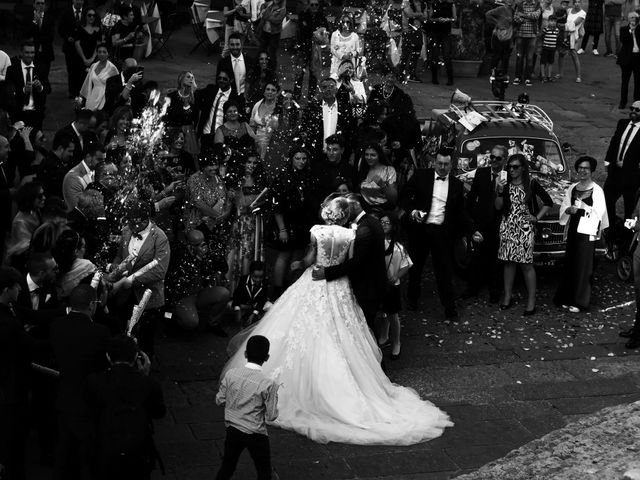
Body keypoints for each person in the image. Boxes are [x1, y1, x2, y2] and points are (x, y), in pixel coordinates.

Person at [225, 196, 452, 445]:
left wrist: (304, 264)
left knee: (301, 326)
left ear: (327, 214)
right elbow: (349, 261)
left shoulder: (317, 232)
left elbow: (312, 258)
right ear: (344, 215)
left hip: (317, 280)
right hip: (339, 286)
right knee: (344, 329)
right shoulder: (351, 234)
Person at [402, 150, 481, 318]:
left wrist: (473, 230)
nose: (443, 167)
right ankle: (412, 300)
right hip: (421, 229)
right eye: (440, 164)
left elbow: (461, 212)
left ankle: (449, 308)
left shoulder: (456, 184)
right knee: (415, 267)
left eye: (446, 164)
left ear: (451, 165)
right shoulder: (421, 176)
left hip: (441, 232)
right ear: (434, 163)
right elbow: (404, 197)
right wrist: (412, 211)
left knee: (444, 271)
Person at [50, 284, 110, 480]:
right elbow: (102, 366)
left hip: (64, 395)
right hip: (88, 400)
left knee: (64, 447)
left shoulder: (56, 325)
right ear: (92, 304)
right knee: (87, 452)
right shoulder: (100, 332)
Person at [87, 334, 165, 480]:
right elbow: (159, 412)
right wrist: (146, 376)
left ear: (108, 357)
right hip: (137, 450)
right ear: (136, 357)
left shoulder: (94, 382)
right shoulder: (149, 384)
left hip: (105, 449)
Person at [495, 154, 553, 315]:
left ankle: (531, 300)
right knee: (508, 262)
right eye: (509, 167)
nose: (511, 169)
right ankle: (507, 296)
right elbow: (498, 207)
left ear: (523, 168)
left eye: (515, 167)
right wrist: (499, 191)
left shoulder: (531, 184)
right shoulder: (504, 184)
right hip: (507, 226)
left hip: (525, 228)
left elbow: (548, 202)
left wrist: (536, 218)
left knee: (526, 264)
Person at [110, 202, 170, 356]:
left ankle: (144, 366)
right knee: (122, 335)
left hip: (147, 297)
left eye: (134, 222)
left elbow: (159, 271)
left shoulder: (160, 237)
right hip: (124, 296)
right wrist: (116, 269)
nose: (130, 225)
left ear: (145, 221)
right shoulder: (126, 231)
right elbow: (119, 255)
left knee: (145, 339)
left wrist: (129, 281)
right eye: (129, 221)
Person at [216, 335, 278, 480]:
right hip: (256, 433)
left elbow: (220, 400)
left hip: (233, 430)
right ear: (267, 357)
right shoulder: (268, 384)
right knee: (264, 471)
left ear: (245, 354)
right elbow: (271, 415)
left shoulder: (231, 374)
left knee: (227, 467)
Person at [554, 156, 608, 313]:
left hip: (587, 231)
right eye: (581, 168)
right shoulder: (573, 188)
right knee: (571, 262)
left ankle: (580, 301)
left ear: (591, 171)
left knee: (584, 266)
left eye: (586, 168)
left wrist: (583, 208)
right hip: (574, 230)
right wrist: (568, 210)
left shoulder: (597, 190)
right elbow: (564, 206)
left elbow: (600, 212)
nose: (583, 171)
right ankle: (566, 297)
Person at [268, 147, 317, 298]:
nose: (301, 162)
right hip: (286, 222)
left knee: (298, 254)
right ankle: (277, 291)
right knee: (284, 255)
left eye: (304, 158)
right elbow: (277, 206)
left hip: (303, 222)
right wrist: (282, 229)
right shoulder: (283, 177)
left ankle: (292, 289)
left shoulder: (309, 176)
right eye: (298, 158)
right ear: (291, 159)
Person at [0, 266, 34, 480]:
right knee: (12, 443)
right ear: (5, 290)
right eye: (16, 287)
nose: (20, 289)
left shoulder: (10, 314)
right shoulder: (8, 323)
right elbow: (28, 347)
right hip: (10, 391)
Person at [464, 146, 506, 303]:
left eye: (498, 158)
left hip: (498, 223)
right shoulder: (481, 173)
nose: (494, 161)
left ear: (504, 160)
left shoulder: (507, 177)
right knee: (476, 257)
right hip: (480, 221)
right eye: (492, 157)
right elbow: (472, 195)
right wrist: (469, 220)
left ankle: (495, 292)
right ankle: (472, 288)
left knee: (496, 260)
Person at [168, 229, 230, 333]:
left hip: (199, 293)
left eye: (203, 242)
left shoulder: (206, 253)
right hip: (183, 297)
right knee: (191, 322)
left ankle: (212, 323)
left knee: (224, 293)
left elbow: (224, 269)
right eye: (198, 244)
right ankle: (173, 322)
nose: (203, 246)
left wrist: (217, 256)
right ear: (189, 245)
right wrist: (197, 259)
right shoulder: (180, 254)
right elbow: (184, 279)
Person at [378, 212, 412, 360]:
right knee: (382, 311)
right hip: (379, 283)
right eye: (382, 222)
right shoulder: (376, 242)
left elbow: (407, 264)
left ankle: (396, 342)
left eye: (387, 223)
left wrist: (396, 276)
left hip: (392, 285)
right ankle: (384, 334)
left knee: (393, 314)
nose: (384, 225)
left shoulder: (398, 246)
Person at [603, 100, 640, 223]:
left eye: (637, 110)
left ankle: (627, 235)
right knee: (607, 200)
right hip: (615, 172)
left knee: (629, 207)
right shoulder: (622, 123)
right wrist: (607, 161)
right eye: (632, 108)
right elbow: (614, 142)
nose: (633, 111)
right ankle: (611, 225)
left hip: (631, 176)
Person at [301, 77, 356, 158]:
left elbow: (351, 131)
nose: (328, 89)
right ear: (320, 90)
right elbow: (305, 128)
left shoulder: (346, 109)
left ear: (336, 89)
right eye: (324, 87)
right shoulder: (312, 108)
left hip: (340, 157)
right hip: (317, 154)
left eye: (331, 87)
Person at [4, 42, 51, 130]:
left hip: (36, 115)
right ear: (21, 53)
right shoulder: (12, 68)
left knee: (35, 142)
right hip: (18, 114)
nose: (30, 55)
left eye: (32, 52)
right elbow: (8, 92)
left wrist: (40, 87)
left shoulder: (41, 67)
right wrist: (23, 91)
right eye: (27, 52)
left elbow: (48, 89)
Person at [196, 70, 243, 146]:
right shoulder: (211, 90)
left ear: (231, 80)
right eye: (219, 78)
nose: (221, 80)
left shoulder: (236, 98)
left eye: (225, 79)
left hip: (222, 137)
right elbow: (196, 96)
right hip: (206, 134)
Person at [293, 0, 328, 100]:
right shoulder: (303, 15)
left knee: (314, 74)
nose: (314, 7)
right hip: (303, 48)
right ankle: (296, 97)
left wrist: (315, 33)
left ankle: (311, 98)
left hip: (315, 49)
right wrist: (315, 32)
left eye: (316, 5)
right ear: (309, 5)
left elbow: (325, 31)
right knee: (299, 73)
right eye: (312, 4)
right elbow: (302, 30)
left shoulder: (321, 16)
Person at [52, 230, 97, 298]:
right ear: (76, 251)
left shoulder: (53, 265)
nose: (85, 250)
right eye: (84, 247)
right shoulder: (87, 266)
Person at [62, 141, 106, 212]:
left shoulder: (97, 173)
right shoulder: (72, 178)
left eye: (104, 160)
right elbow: (77, 208)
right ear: (88, 157)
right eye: (99, 159)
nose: (103, 164)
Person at [165, 71, 200, 157]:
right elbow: (166, 116)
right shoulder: (171, 96)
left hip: (189, 133)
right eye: (188, 77)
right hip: (174, 131)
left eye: (192, 78)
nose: (191, 79)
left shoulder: (195, 97)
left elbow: (196, 118)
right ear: (181, 79)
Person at [358, 143, 398, 212]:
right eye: (366, 154)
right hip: (365, 210)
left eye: (373, 155)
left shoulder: (388, 170)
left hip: (383, 210)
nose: (369, 157)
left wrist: (382, 185)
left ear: (379, 155)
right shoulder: (363, 169)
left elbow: (393, 198)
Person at [58, 0, 86, 97]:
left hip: (83, 48)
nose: (79, 2)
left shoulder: (87, 12)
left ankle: (81, 91)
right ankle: (72, 92)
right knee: (71, 70)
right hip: (70, 48)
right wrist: (67, 37)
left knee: (82, 70)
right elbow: (60, 29)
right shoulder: (66, 12)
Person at [232, 260, 271, 327]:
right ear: (250, 273)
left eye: (261, 277)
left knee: (270, 306)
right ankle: (243, 316)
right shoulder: (243, 279)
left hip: (256, 304)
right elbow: (236, 295)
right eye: (255, 277)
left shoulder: (265, 282)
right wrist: (237, 309)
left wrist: (254, 313)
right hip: (244, 304)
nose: (258, 280)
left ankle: (259, 320)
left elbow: (262, 299)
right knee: (231, 305)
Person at [80, 43, 118, 111]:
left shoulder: (113, 68)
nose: (101, 54)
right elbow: (87, 82)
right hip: (93, 94)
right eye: (99, 52)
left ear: (108, 54)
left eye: (104, 52)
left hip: (105, 97)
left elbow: (116, 86)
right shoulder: (93, 66)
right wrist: (81, 97)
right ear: (97, 54)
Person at [512, 0, 541, 86]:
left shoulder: (537, 4)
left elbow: (536, 16)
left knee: (529, 58)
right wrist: (525, 17)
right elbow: (516, 18)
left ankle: (527, 78)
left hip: (532, 35)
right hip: (520, 34)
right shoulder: (520, 4)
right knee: (519, 57)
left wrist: (523, 15)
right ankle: (518, 77)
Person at [37, 134, 75, 199]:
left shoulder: (54, 162)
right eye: (70, 151)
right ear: (61, 148)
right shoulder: (50, 165)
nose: (72, 154)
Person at [428, 0, 457, 85]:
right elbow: (429, 18)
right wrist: (437, 19)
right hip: (435, 32)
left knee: (447, 56)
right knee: (435, 56)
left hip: (446, 33)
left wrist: (448, 19)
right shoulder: (434, 4)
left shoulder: (451, 4)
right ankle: (434, 78)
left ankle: (450, 79)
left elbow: (455, 18)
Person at [73, 8, 103, 89]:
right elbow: (77, 44)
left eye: (93, 15)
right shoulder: (80, 28)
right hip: (81, 57)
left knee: (94, 79)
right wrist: (84, 59)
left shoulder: (98, 29)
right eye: (89, 15)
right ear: (85, 16)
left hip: (94, 57)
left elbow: (98, 45)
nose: (91, 17)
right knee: (81, 79)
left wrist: (92, 58)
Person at [217, 33, 254, 98]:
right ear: (228, 45)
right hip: (229, 97)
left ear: (241, 45)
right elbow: (218, 82)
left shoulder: (250, 61)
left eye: (237, 44)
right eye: (232, 45)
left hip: (245, 96)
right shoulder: (222, 63)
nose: (235, 47)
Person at [249, 82, 279, 159]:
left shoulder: (279, 108)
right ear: (264, 91)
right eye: (268, 89)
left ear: (277, 93)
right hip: (257, 143)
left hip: (273, 144)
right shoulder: (257, 105)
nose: (270, 92)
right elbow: (252, 126)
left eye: (273, 90)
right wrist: (253, 141)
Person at [617, 12, 640, 109]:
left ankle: (637, 102)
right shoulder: (624, 29)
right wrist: (632, 31)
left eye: (635, 18)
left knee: (638, 82)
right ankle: (623, 102)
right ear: (628, 19)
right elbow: (623, 39)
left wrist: (636, 30)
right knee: (625, 81)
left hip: (638, 59)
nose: (633, 19)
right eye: (631, 18)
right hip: (626, 59)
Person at [486, 0, 515, 78]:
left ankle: (504, 73)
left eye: (512, 0)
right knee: (497, 55)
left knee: (506, 56)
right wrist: (497, 23)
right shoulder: (501, 9)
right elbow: (488, 14)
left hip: (508, 35)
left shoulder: (513, 11)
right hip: (498, 35)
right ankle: (493, 72)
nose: (510, 1)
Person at [558, 0, 585, 82]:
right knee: (561, 53)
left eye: (578, 2)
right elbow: (563, 19)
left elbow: (574, 24)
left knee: (574, 54)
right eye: (575, 2)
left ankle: (578, 76)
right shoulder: (569, 10)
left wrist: (561, 25)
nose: (577, 3)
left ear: (581, 3)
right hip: (564, 35)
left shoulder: (582, 13)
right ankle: (560, 73)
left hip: (573, 36)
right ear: (573, 3)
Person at [259, 0, 287, 66]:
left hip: (274, 34)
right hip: (265, 32)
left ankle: (272, 69)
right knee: (262, 50)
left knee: (272, 53)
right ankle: (261, 68)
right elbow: (262, 5)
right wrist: (263, 10)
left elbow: (277, 21)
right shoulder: (270, 3)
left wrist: (266, 15)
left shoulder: (283, 9)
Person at [541, 15, 560, 81]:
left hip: (552, 49)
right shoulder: (546, 29)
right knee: (543, 62)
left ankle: (549, 76)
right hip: (545, 48)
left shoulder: (557, 30)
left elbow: (556, 38)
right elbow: (542, 37)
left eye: (555, 21)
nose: (553, 23)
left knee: (551, 62)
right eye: (551, 21)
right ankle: (543, 76)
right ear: (548, 21)